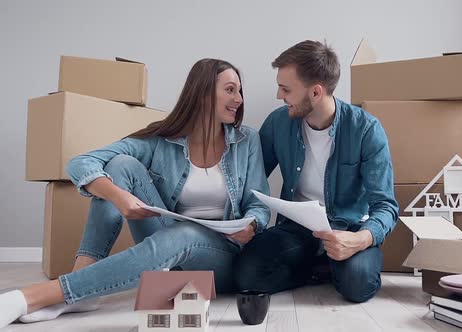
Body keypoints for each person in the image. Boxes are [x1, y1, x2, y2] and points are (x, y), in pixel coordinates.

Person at [0, 58, 270, 328]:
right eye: (230, 90)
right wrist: (118, 196)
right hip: (166, 248)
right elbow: (80, 163)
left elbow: (258, 204)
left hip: (220, 258)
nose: (239, 99)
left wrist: (252, 223)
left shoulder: (247, 141)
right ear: (201, 94)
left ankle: (33, 296)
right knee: (121, 165)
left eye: (239, 91)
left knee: (186, 234)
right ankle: (81, 279)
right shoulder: (161, 141)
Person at [234, 40, 399, 303]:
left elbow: (386, 206)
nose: (279, 96)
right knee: (248, 276)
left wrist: (361, 240)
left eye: (285, 89)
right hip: (298, 229)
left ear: (315, 92)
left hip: (349, 228)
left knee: (357, 285)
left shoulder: (366, 130)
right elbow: (251, 179)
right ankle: (317, 269)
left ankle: (328, 268)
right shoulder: (278, 123)